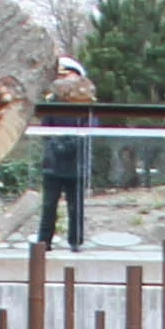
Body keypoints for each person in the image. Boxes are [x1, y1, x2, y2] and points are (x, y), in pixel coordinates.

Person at [35, 54, 97, 250]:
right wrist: (56, 144)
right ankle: (44, 242)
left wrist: (71, 144)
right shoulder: (52, 100)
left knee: (75, 206)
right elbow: (46, 127)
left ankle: (76, 241)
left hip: (76, 162)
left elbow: (91, 127)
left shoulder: (85, 101)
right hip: (53, 163)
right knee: (49, 206)